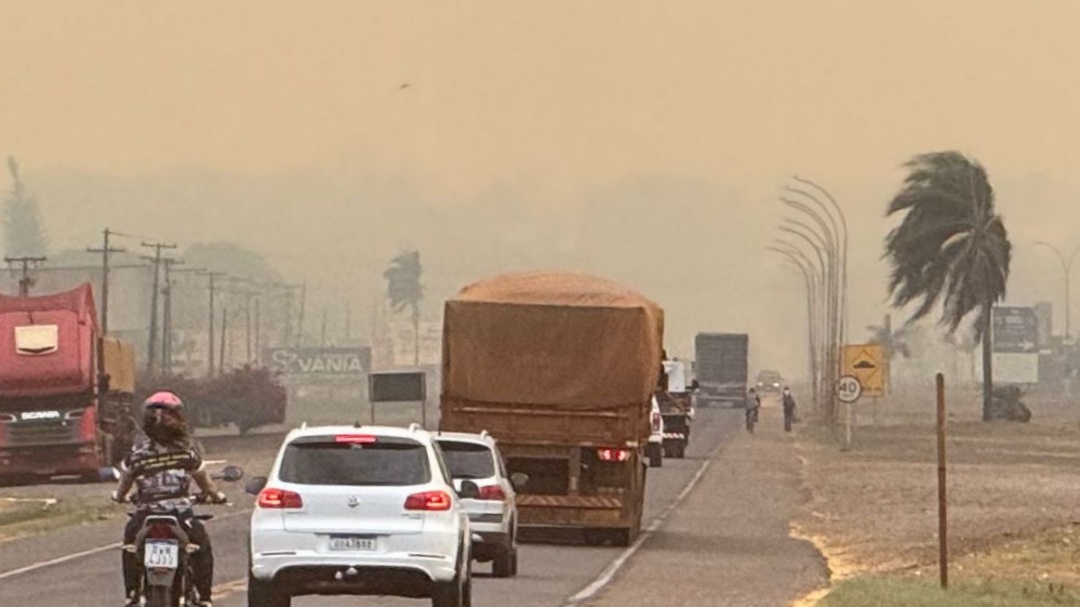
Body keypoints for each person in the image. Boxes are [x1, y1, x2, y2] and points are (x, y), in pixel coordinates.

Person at [112, 391, 226, 607]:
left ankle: (132, 593)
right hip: (181, 515)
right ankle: (204, 597)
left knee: (129, 544)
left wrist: (119, 497)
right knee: (202, 547)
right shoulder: (187, 453)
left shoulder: (138, 455)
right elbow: (206, 484)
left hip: (145, 515)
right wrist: (216, 496)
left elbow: (123, 485)